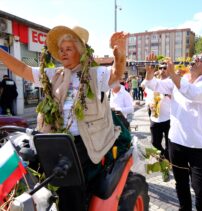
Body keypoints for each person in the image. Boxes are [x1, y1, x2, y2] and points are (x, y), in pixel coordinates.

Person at [0, 25, 127, 211]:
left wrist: (119, 54)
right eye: (61, 50)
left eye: (69, 49)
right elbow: (24, 69)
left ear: (80, 51)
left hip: (87, 142)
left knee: (70, 190)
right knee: (32, 169)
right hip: (58, 139)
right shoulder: (54, 74)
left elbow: (116, 73)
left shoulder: (95, 73)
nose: (63, 53)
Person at [143, 52, 202, 211]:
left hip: (198, 146)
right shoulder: (180, 80)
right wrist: (149, 72)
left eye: (201, 59)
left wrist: (172, 74)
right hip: (176, 143)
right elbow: (153, 85)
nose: (195, 59)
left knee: (200, 188)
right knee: (181, 184)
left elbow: (192, 93)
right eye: (196, 56)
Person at [142, 64, 171, 160]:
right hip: (155, 117)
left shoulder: (173, 82)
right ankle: (163, 158)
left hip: (169, 118)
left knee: (169, 144)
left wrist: (169, 95)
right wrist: (149, 103)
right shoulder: (154, 82)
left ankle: (167, 163)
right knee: (154, 143)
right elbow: (146, 95)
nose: (162, 70)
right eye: (160, 68)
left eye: (165, 68)